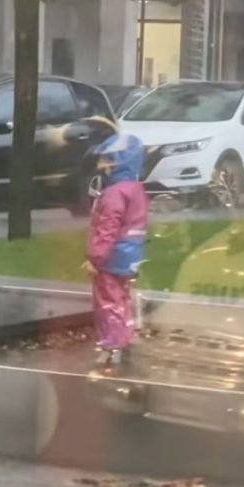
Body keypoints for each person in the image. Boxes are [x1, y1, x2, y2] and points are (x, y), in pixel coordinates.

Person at [84, 131, 149, 371]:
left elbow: (106, 228)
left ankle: (113, 346)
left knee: (108, 301)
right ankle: (126, 336)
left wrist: (95, 257)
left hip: (111, 259)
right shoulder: (135, 189)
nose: (102, 166)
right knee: (122, 298)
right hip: (130, 256)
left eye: (107, 160)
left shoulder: (113, 193)